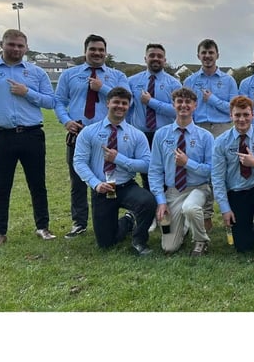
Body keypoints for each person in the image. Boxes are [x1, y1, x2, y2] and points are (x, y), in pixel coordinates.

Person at [0, 29, 57, 247]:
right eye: (11, 44)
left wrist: (26, 92)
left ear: (26, 48)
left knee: (37, 184)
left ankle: (43, 227)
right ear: (2, 44)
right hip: (0, 136)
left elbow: (50, 102)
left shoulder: (36, 73)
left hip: (31, 134)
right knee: (1, 187)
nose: (16, 49)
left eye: (20, 46)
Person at [54, 34, 131, 239]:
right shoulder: (69, 75)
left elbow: (126, 101)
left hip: (108, 135)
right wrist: (66, 120)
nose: (97, 53)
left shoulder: (117, 76)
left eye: (100, 50)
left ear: (106, 52)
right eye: (92, 49)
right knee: (78, 179)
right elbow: (59, 101)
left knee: (108, 177)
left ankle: (108, 218)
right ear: (85, 51)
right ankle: (79, 223)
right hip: (78, 132)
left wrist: (103, 88)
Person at [72, 87, 156, 255]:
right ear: (107, 103)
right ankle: (127, 220)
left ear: (129, 106)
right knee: (106, 244)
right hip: (102, 189)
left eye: (124, 103)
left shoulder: (136, 135)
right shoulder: (89, 132)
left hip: (126, 186)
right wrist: (96, 184)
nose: (120, 106)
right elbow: (79, 162)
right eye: (116, 102)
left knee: (148, 202)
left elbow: (147, 164)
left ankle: (139, 241)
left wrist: (118, 159)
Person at [211, 95, 254, 263]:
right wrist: (225, 208)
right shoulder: (221, 142)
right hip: (236, 191)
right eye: (237, 115)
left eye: (245, 114)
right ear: (231, 116)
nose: (242, 119)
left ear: (252, 115)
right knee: (243, 246)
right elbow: (217, 177)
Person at [149, 87, 215, 256]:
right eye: (180, 102)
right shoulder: (161, 135)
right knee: (169, 247)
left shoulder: (205, 136)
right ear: (173, 105)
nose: (183, 105)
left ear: (195, 106)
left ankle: (201, 240)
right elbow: (155, 170)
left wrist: (188, 163)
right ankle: (184, 226)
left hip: (198, 188)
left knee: (190, 208)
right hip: (173, 192)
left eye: (188, 102)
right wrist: (161, 201)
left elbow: (211, 171)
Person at [183, 38, 239, 234]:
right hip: (198, 128)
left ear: (217, 55)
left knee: (225, 171)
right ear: (198, 56)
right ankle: (205, 215)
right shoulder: (190, 81)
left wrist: (212, 99)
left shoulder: (228, 80)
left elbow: (233, 108)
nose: (207, 56)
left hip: (222, 128)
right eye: (204, 53)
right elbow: (185, 106)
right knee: (203, 173)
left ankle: (231, 212)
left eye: (211, 53)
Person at [127, 43, 182, 191]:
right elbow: (127, 108)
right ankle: (150, 209)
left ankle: (166, 208)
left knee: (166, 174)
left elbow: (177, 110)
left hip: (165, 135)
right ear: (145, 58)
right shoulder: (132, 82)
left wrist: (151, 102)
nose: (155, 59)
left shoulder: (174, 83)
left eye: (159, 56)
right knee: (147, 174)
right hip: (141, 135)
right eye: (152, 55)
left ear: (165, 60)